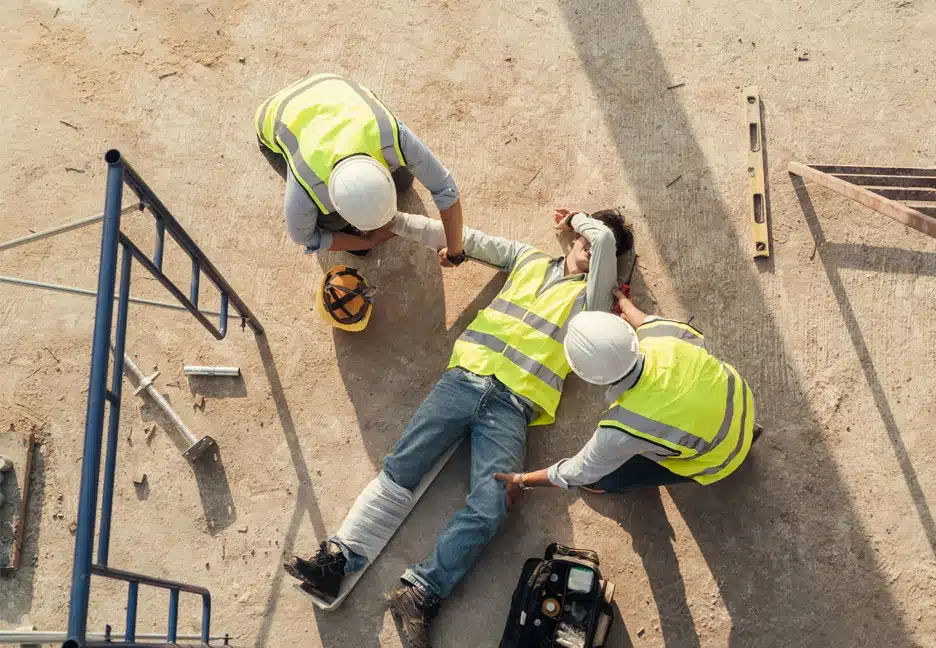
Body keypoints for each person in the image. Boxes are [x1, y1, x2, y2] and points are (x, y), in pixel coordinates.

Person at [284, 208, 633, 648]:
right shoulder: (527, 258)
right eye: (584, 244)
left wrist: (580, 220)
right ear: (572, 240)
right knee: (400, 470)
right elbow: (464, 238)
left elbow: (604, 241)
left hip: (513, 407)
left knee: (492, 506)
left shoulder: (594, 304)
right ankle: (336, 560)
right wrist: (392, 220)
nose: (589, 252)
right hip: (464, 379)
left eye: (597, 252)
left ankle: (420, 593)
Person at [493, 291, 757, 499]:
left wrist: (521, 479)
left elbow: (578, 471)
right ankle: (746, 434)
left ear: (587, 376)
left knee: (600, 478)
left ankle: (618, 483)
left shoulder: (624, 426)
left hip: (719, 458)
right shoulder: (664, 335)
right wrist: (624, 303)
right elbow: (645, 322)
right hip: (744, 409)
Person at [254, 73, 464, 261]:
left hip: (326, 85)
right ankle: (344, 226)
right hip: (274, 116)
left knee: (404, 181)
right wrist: (367, 242)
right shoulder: (308, 184)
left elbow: (445, 188)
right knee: (332, 223)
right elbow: (305, 237)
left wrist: (455, 252)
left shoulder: (390, 135)